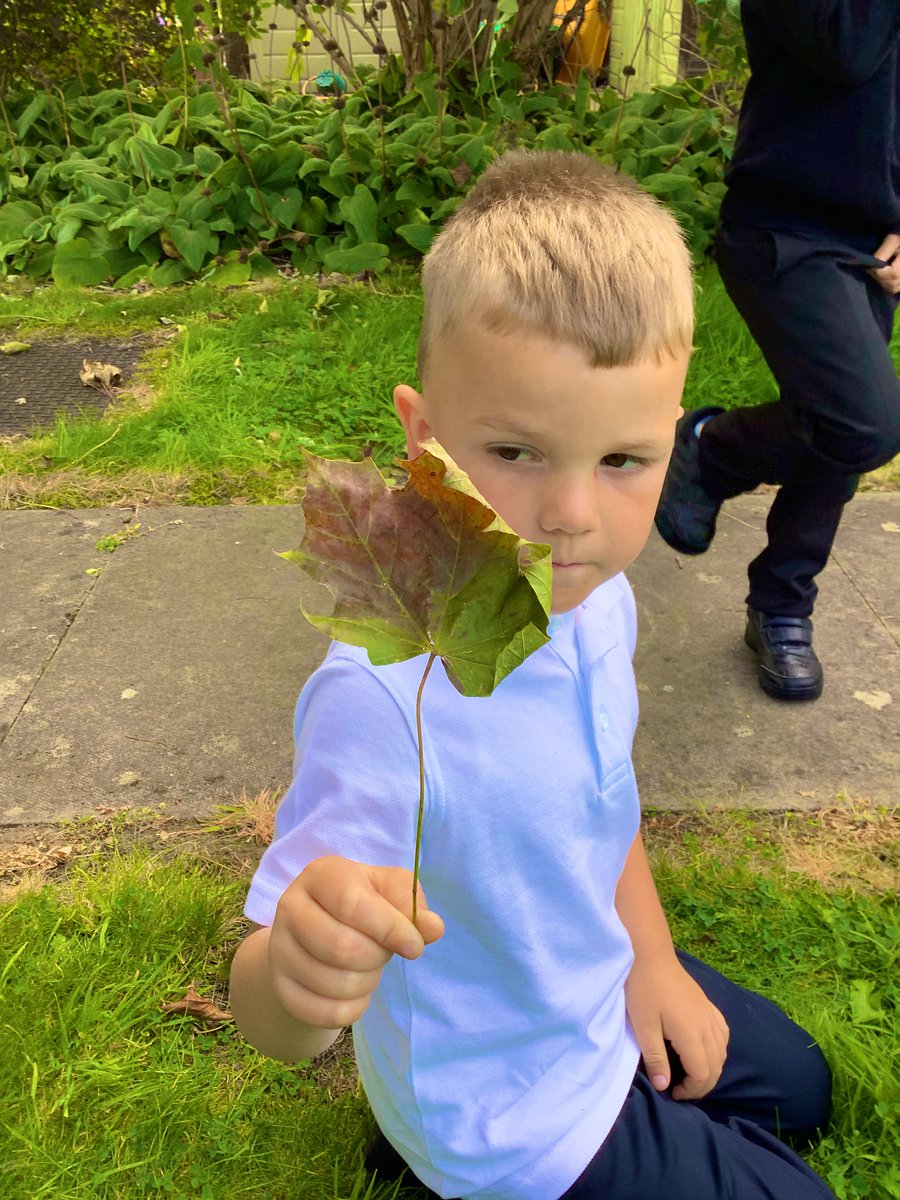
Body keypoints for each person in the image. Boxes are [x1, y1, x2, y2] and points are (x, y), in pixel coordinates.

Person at [229, 151, 834, 1200]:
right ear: (424, 439)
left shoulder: (597, 595)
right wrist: (294, 975)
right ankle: (442, 1172)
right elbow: (270, 1018)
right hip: (508, 1115)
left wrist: (649, 958)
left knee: (802, 1090)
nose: (572, 517)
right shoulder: (384, 699)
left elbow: (606, 801)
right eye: (515, 450)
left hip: (588, 985)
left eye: (622, 461)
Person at [655, 0, 900, 702]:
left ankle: (782, 606)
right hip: (784, 227)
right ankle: (714, 448)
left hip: (872, 239)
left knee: (836, 433)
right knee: (862, 421)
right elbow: (845, 49)